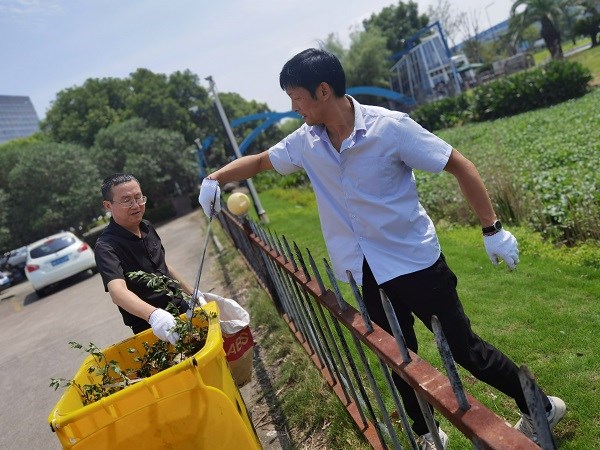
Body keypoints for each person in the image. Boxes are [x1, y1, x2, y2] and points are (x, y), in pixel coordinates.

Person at [198, 48, 567, 448]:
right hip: (365, 272)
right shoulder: (306, 143)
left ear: (323, 91)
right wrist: (215, 178)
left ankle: (541, 408)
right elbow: (258, 162)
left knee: (465, 349)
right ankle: (429, 435)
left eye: (297, 98)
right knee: (398, 358)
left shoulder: (390, 128)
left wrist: (492, 229)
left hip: (416, 263)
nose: (293, 108)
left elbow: (459, 164)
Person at [95, 173, 193, 345]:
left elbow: (163, 266)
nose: (136, 205)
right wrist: (154, 315)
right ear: (108, 205)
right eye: (126, 200)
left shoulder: (146, 226)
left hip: (181, 308)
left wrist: (194, 294)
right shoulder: (106, 246)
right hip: (152, 327)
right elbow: (117, 292)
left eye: (138, 197)